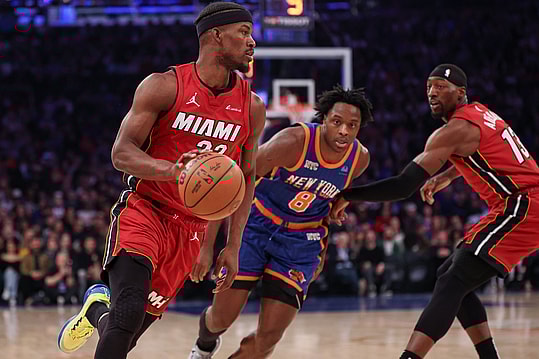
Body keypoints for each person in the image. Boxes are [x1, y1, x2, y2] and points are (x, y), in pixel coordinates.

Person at [57, 2, 265, 358]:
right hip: (146, 211)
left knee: (126, 334)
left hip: (190, 230)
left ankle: (96, 310)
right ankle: (106, 310)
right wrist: (171, 171)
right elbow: (121, 153)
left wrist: (231, 246)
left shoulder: (251, 107)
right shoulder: (164, 86)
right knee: (128, 312)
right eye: (243, 33)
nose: (251, 42)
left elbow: (246, 178)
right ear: (215, 36)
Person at [331, 64, 539, 359]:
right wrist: (448, 175)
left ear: (461, 93)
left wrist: (349, 195)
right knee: (450, 275)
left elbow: (404, 186)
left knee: (453, 281)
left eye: (441, 86)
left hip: (523, 205)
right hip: (521, 204)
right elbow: (486, 151)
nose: (432, 92)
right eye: (429, 86)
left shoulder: (454, 130)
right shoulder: (481, 114)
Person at [188, 85, 373, 359]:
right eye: (337, 122)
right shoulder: (292, 142)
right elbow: (230, 183)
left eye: (352, 125)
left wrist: (339, 204)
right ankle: (204, 346)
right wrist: (208, 247)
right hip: (256, 226)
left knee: (269, 339)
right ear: (323, 120)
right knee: (221, 319)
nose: (344, 131)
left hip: (301, 242)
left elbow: (334, 190)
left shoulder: (359, 159)